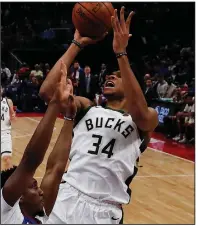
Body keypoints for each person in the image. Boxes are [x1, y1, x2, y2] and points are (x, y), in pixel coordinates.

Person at [40, 7, 158, 224]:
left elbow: (141, 112)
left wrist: (121, 52)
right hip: (67, 198)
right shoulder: (87, 107)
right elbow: (48, 93)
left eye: (117, 76)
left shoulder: (144, 119)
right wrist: (77, 44)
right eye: (109, 76)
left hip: (106, 211)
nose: (110, 78)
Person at [1, 62, 76, 224]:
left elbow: (55, 170)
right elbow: (30, 161)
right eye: (34, 187)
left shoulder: (40, 216)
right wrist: (55, 104)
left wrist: (69, 118)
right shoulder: (5, 213)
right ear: (18, 195)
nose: (41, 191)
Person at [1, 86, 16, 170]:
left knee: (7, 158)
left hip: (4, 134)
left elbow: (12, 116)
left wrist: (13, 117)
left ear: (2, 90)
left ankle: (10, 179)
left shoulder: (8, 101)